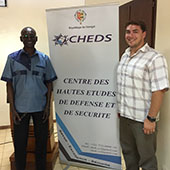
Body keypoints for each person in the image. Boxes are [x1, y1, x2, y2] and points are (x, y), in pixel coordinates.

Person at [1, 27, 57, 170]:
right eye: (25, 35)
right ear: (21, 39)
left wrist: (48, 107)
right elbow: (9, 85)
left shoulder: (44, 59)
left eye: (32, 36)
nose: (29, 38)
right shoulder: (12, 58)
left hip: (40, 109)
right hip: (20, 110)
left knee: (41, 144)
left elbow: (49, 83)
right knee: (20, 145)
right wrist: (12, 108)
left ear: (36, 38)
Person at [117, 21, 169, 170]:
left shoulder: (154, 58)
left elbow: (159, 90)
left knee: (147, 160)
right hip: (125, 117)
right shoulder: (125, 55)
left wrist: (151, 118)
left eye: (135, 31)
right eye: (128, 31)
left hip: (143, 120)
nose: (130, 35)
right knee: (129, 154)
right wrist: (121, 110)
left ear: (144, 34)